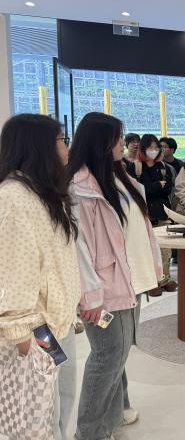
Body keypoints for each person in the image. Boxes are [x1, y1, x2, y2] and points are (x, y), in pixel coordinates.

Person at [68, 112, 163, 438]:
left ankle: (115, 413)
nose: (124, 142)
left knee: (119, 352)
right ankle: (89, 432)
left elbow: (139, 231)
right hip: (104, 289)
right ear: (100, 142)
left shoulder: (120, 177)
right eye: (117, 137)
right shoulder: (79, 188)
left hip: (130, 280)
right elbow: (79, 248)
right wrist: (90, 296)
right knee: (107, 355)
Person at [0, 114, 80, 440]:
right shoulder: (13, 199)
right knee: (40, 416)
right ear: (39, 146)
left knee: (61, 402)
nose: (66, 147)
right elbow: (12, 275)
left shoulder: (43, 194)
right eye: (61, 140)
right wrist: (24, 341)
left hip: (58, 324)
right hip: (37, 331)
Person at [127, 134, 177, 294]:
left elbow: (167, 189)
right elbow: (136, 190)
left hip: (162, 212)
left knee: (165, 249)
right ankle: (150, 282)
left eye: (156, 147)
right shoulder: (134, 167)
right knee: (147, 249)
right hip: (144, 213)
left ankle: (164, 279)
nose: (154, 150)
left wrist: (151, 187)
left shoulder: (163, 167)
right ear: (143, 149)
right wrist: (156, 186)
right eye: (150, 147)